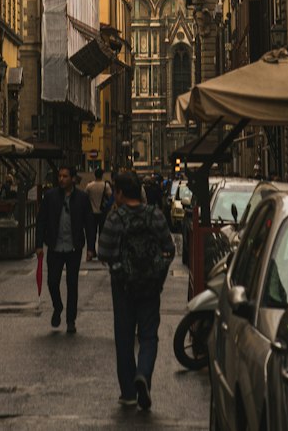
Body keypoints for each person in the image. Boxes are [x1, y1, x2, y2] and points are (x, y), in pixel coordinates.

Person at [98, 170, 175, 411]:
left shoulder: (116, 218)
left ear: (119, 193)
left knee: (124, 337)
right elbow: (169, 248)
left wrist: (119, 267)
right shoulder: (155, 215)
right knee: (149, 336)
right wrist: (159, 271)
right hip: (151, 286)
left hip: (123, 286)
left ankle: (129, 393)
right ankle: (143, 374)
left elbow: (104, 252)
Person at [35, 163, 97, 335]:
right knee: (52, 281)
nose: (61, 179)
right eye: (60, 176)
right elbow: (41, 221)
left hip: (73, 247)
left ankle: (71, 320)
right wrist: (39, 244)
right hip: (55, 246)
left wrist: (91, 248)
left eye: (65, 176)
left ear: (73, 179)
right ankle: (58, 306)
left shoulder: (82, 198)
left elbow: (89, 223)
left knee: (72, 284)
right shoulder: (51, 196)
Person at [86, 166, 112, 240]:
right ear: (102, 175)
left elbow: (85, 196)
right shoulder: (106, 185)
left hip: (92, 212)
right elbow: (110, 196)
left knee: (92, 232)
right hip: (102, 212)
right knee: (102, 232)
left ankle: (92, 248)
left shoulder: (89, 186)